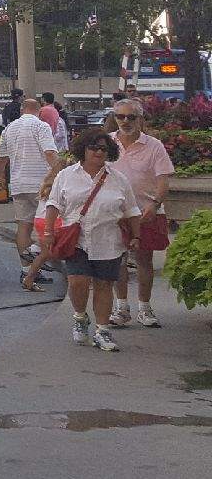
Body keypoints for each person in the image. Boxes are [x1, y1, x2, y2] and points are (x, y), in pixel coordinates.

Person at [44, 129, 140, 352]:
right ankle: (79, 317)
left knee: (104, 285)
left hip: (109, 240)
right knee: (77, 281)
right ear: (83, 149)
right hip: (76, 240)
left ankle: (102, 330)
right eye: (93, 147)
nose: (98, 152)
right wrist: (48, 232)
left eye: (103, 149)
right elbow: (53, 204)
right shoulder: (66, 175)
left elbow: (132, 210)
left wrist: (136, 236)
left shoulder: (119, 179)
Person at [108, 98, 173, 328]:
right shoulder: (107, 144)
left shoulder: (154, 145)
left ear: (140, 119)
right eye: (120, 117)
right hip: (115, 214)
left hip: (146, 212)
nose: (125, 121)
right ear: (114, 118)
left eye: (131, 117)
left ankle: (145, 308)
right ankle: (121, 307)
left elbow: (163, 179)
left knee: (144, 260)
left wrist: (155, 204)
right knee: (118, 261)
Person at [0, 98, 62, 288]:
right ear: (39, 111)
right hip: (40, 184)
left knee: (24, 226)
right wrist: (61, 173)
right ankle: (36, 255)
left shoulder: (8, 129)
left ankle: (27, 269)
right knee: (50, 224)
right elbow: (50, 153)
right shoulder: (41, 126)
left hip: (18, 184)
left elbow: (0, 159)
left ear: (22, 110)